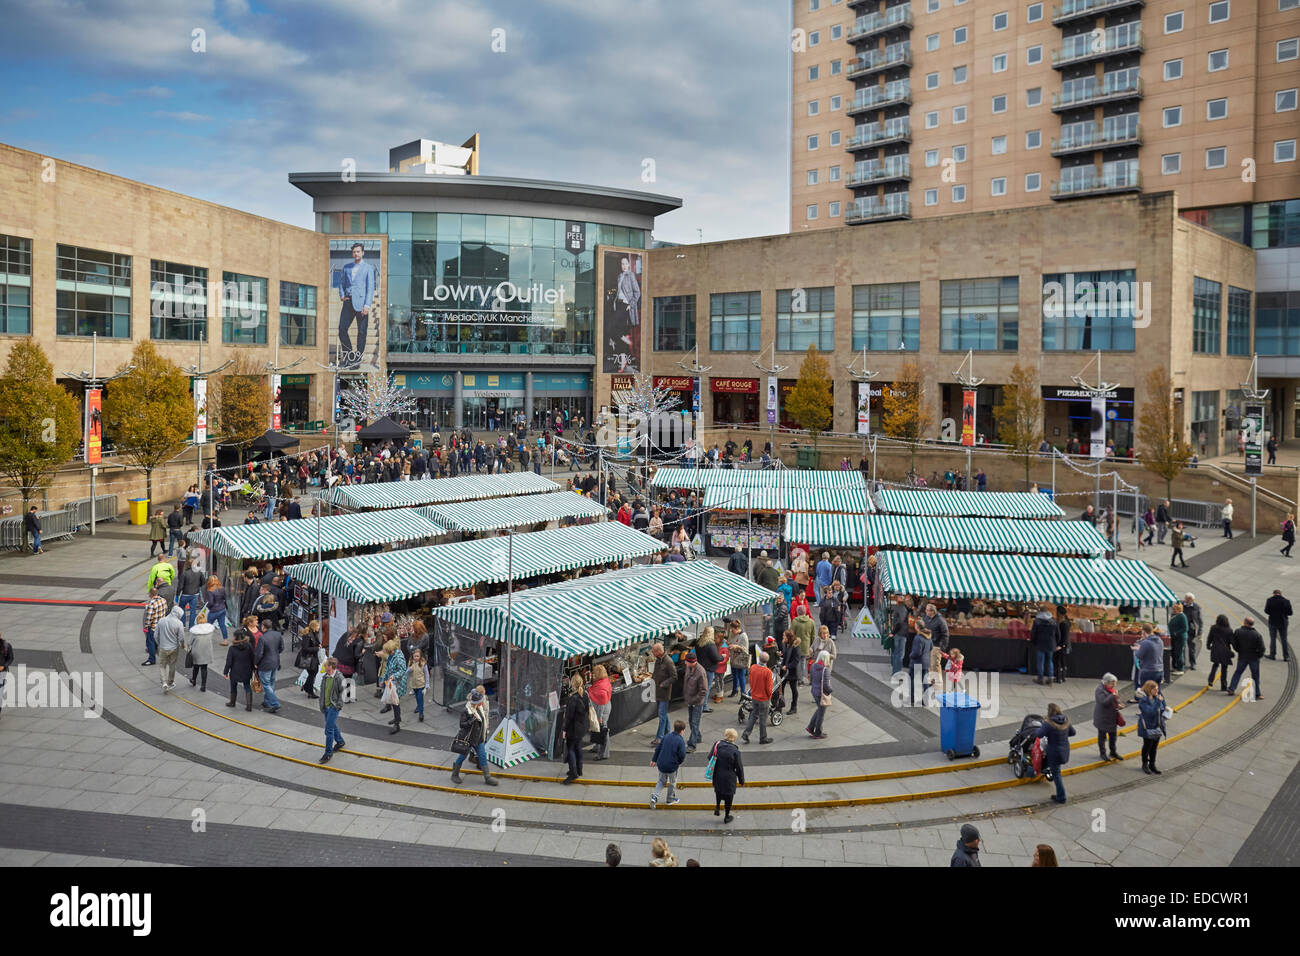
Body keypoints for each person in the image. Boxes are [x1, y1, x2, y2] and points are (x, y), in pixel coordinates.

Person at [337, 241, 377, 369]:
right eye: (354, 252)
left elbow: (370, 288)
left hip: (362, 304)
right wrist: (342, 295)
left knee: (362, 332)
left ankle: (357, 360)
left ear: (362, 253)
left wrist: (367, 305)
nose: (356, 253)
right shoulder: (347, 267)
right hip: (348, 302)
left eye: (358, 251)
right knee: (342, 329)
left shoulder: (368, 268)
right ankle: (349, 357)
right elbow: (341, 282)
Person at [450, 686, 498, 785]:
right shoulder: (466, 710)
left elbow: (483, 721)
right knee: (462, 756)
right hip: (469, 739)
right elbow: (462, 725)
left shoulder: (479, 708)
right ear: (476, 702)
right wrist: (472, 720)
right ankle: (454, 774)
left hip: (478, 738)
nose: (482, 702)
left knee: (482, 756)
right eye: (481, 700)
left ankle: (487, 777)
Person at [1036, 702, 1076, 803]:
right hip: (1064, 751)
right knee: (1057, 772)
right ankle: (1060, 794)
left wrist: (1042, 726)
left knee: (1057, 775)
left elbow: (1039, 734)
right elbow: (1073, 732)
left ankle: (1061, 797)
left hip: (1054, 752)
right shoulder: (1065, 720)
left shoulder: (1048, 724)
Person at [315, 657, 348, 764]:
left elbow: (343, 693)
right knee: (332, 725)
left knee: (328, 730)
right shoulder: (325, 677)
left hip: (333, 707)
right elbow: (323, 692)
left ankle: (328, 753)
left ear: (330, 667)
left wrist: (337, 705)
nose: (324, 667)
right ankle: (340, 741)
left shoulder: (339, 677)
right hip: (326, 707)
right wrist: (322, 704)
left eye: (325, 665)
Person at [710, 728, 745, 823]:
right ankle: (727, 816)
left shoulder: (717, 745)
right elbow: (739, 768)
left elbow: (710, 757)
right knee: (729, 796)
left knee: (718, 791)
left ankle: (717, 807)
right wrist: (741, 780)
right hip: (729, 777)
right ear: (734, 738)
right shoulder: (735, 751)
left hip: (717, 774)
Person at [650, 719, 687, 808]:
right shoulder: (680, 741)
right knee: (672, 782)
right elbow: (682, 755)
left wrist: (654, 760)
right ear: (682, 731)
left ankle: (654, 796)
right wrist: (678, 762)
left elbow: (658, 749)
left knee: (661, 781)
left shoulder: (666, 736)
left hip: (661, 764)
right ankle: (669, 799)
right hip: (672, 766)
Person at [1228, 617, 1266, 700]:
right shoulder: (1257, 635)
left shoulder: (1238, 631)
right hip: (1254, 658)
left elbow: (1234, 642)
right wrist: (1258, 655)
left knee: (1238, 672)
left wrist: (1238, 650)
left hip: (1242, 656)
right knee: (1255, 676)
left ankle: (1232, 688)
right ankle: (1257, 693)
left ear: (1245, 622)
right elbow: (1262, 648)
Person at [561, 673, 589, 784]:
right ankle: (579, 769)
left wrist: (564, 730)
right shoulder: (585, 694)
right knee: (578, 747)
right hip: (582, 726)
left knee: (571, 749)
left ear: (572, 684)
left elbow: (568, 717)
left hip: (573, 728)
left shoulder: (572, 698)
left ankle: (573, 772)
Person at [742, 651, 773, 745]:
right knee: (763, 719)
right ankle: (763, 738)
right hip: (763, 699)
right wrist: (769, 697)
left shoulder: (753, 667)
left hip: (754, 696)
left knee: (753, 715)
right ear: (767, 661)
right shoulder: (767, 672)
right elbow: (769, 688)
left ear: (759, 658)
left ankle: (746, 733)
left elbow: (750, 681)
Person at [1136, 680, 1167, 774]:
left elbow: (1161, 709)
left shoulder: (1156, 697)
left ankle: (1152, 764)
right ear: (1150, 690)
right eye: (1155, 689)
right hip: (1147, 726)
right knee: (1147, 746)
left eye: (1158, 689)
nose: (1157, 691)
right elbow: (1149, 712)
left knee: (1154, 746)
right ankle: (1145, 764)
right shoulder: (1143, 700)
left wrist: (1165, 708)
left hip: (1157, 725)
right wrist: (1158, 702)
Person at [1092, 673, 1123, 762]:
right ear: (1106, 682)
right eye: (1112, 683)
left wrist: (1119, 704)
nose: (1114, 685)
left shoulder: (1111, 689)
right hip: (1102, 718)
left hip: (1112, 718)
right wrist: (1112, 695)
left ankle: (1113, 752)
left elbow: (1115, 699)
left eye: (1115, 683)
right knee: (1102, 737)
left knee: (1113, 736)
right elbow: (1103, 702)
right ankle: (1103, 753)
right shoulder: (1099, 690)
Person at [155, 605, 186, 693]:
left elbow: (155, 635)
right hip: (174, 648)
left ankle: (164, 682)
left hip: (163, 647)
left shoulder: (161, 621)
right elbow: (181, 637)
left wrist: (159, 644)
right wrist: (182, 645)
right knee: (172, 665)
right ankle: (170, 682)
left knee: (162, 665)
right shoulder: (179, 623)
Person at [223, 627, 255, 711]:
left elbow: (229, 662)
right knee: (247, 686)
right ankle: (249, 705)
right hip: (247, 670)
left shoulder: (232, 648)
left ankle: (232, 702)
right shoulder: (248, 646)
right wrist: (253, 668)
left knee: (233, 686)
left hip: (235, 671)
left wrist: (226, 672)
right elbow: (253, 657)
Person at [651, 642, 676, 744]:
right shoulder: (658, 660)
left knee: (662, 715)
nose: (652, 653)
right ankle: (667, 733)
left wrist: (664, 684)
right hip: (658, 691)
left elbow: (674, 677)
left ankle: (659, 737)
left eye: (653, 651)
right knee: (663, 714)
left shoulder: (668, 661)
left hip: (664, 692)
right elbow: (656, 673)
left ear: (658, 652)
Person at [682, 651, 707, 751]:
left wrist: (694, 700)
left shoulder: (700, 672)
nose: (685, 663)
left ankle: (692, 745)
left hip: (696, 702)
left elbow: (703, 691)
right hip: (690, 700)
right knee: (691, 721)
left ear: (691, 662)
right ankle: (698, 737)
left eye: (686, 662)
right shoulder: (689, 667)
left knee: (694, 722)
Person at [1133, 623, 1165, 697]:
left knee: (1146, 693)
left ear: (1143, 632)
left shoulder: (1145, 643)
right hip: (1160, 670)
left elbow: (1139, 655)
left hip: (1148, 670)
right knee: (1157, 691)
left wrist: (1137, 649)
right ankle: (1161, 707)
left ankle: (1148, 707)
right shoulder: (1160, 640)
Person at [186, 611, 215, 692]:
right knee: (204, 668)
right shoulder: (210, 629)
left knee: (196, 667)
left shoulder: (194, 631)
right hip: (206, 651)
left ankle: (194, 680)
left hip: (197, 651)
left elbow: (189, 642)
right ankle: (203, 685)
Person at [806, 650, 832, 739]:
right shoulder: (826, 670)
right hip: (821, 694)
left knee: (819, 710)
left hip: (814, 692)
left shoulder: (813, 666)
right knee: (821, 714)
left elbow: (811, 679)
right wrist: (831, 691)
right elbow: (826, 685)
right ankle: (817, 733)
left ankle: (810, 727)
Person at [589, 664, 613, 759]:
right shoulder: (604, 681)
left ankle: (603, 754)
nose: (592, 674)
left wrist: (599, 717)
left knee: (603, 730)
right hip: (606, 707)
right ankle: (597, 746)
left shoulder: (601, 688)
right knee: (598, 729)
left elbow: (601, 704)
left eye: (594, 672)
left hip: (601, 711)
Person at [1206, 614, 1235, 692]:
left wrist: (1208, 645)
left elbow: (1210, 638)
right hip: (1225, 651)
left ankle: (1210, 680)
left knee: (1215, 665)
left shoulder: (1213, 628)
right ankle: (1223, 685)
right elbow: (1232, 642)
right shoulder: (1229, 630)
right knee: (1224, 668)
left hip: (1215, 649)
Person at [1031, 603, 1058, 685]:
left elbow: (1033, 633)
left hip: (1040, 643)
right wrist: (1056, 642)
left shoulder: (1037, 621)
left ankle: (1040, 678)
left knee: (1040, 661)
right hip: (1051, 643)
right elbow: (1058, 634)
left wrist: (1033, 641)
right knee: (1050, 661)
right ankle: (1050, 678)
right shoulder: (1053, 621)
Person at [140, 587, 167, 666]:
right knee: (156, 641)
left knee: (150, 642)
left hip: (153, 627)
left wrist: (145, 627)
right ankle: (156, 652)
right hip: (161, 625)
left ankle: (151, 659)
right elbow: (166, 609)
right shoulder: (163, 600)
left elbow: (149, 618)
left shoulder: (151, 604)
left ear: (150, 594)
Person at [1264, 588, 1292, 661]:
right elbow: (1290, 613)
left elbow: (1266, 611)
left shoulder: (1270, 600)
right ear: (1281, 594)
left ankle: (1272, 654)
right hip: (1283, 622)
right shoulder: (1286, 601)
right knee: (1284, 639)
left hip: (1273, 621)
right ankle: (1286, 656)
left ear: (1273, 593)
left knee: (1273, 639)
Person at [176, 559, 204, 630]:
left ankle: (183, 624)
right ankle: (191, 626)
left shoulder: (184, 573)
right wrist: (198, 586)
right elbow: (203, 582)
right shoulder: (199, 573)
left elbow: (180, 586)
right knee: (193, 611)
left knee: (182, 609)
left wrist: (177, 594)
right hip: (195, 594)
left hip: (185, 594)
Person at [909, 621, 932, 705]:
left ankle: (912, 698)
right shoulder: (928, 636)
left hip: (917, 662)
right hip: (925, 662)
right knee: (925, 681)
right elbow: (931, 647)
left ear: (917, 627)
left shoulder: (918, 638)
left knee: (912, 679)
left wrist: (910, 656)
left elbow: (916, 652)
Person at [779, 630, 802, 716]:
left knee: (793, 689)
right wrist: (781, 655)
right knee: (781, 688)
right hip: (784, 671)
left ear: (788, 637)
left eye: (784, 636)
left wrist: (787, 666)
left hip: (792, 672)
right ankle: (780, 705)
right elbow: (785, 655)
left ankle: (794, 707)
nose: (783, 638)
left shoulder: (796, 647)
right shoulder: (785, 644)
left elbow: (796, 661)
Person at [203, 575, 229, 646]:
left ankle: (206, 640)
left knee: (208, 625)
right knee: (222, 625)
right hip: (222, 609)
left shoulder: (210, 591)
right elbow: (224, 598)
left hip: (214, 610)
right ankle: (225, 640)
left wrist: (207, 606)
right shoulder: (222, 588)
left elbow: (211, 602)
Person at [889, 593, 909, 677]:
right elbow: (900, 622)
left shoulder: (901, 607)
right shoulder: (902, 608)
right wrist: (893, 632)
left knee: (896, 653)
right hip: (901, 633)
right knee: (899, 654)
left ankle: (895, 671)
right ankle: (897, 673)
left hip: (898, 633)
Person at [1182, 592, 1202, 671]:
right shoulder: (1181, 605)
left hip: (1191, 630)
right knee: (1182, 647)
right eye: (1187, 599)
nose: (1188, 601)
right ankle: (1182, 663)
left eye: (1190, 599)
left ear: (1193, 600)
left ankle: (1192, 663)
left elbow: (1200, 620)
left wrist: (1200, 630)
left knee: (1191, 648)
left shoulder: (1197, 607)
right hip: (1182, 629)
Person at [1167, 602, 1189, 676]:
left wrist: (1176, 633)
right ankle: (1175, 667)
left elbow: (1185, 628)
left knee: (1179, 653)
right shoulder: (1175, 615)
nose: (1173, 610)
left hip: (1180, 638)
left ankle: (1180, 668)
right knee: (1174, 652)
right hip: (1174, 637)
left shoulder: (1182, 616)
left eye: (1174, 609)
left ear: (1178, 609)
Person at [408, 647, 427, 721]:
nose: (416, 658)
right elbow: (407, 674)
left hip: (421, 684)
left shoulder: (423, 664)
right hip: (413, 684)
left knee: (420, 698)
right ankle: (419, 707)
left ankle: (421, 714)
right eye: (415, 656)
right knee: (416, 698)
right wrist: (409, 670)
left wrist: (427, 684)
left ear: (420, 656)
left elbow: (426, 674)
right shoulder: (410, 663)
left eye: (417, 656)